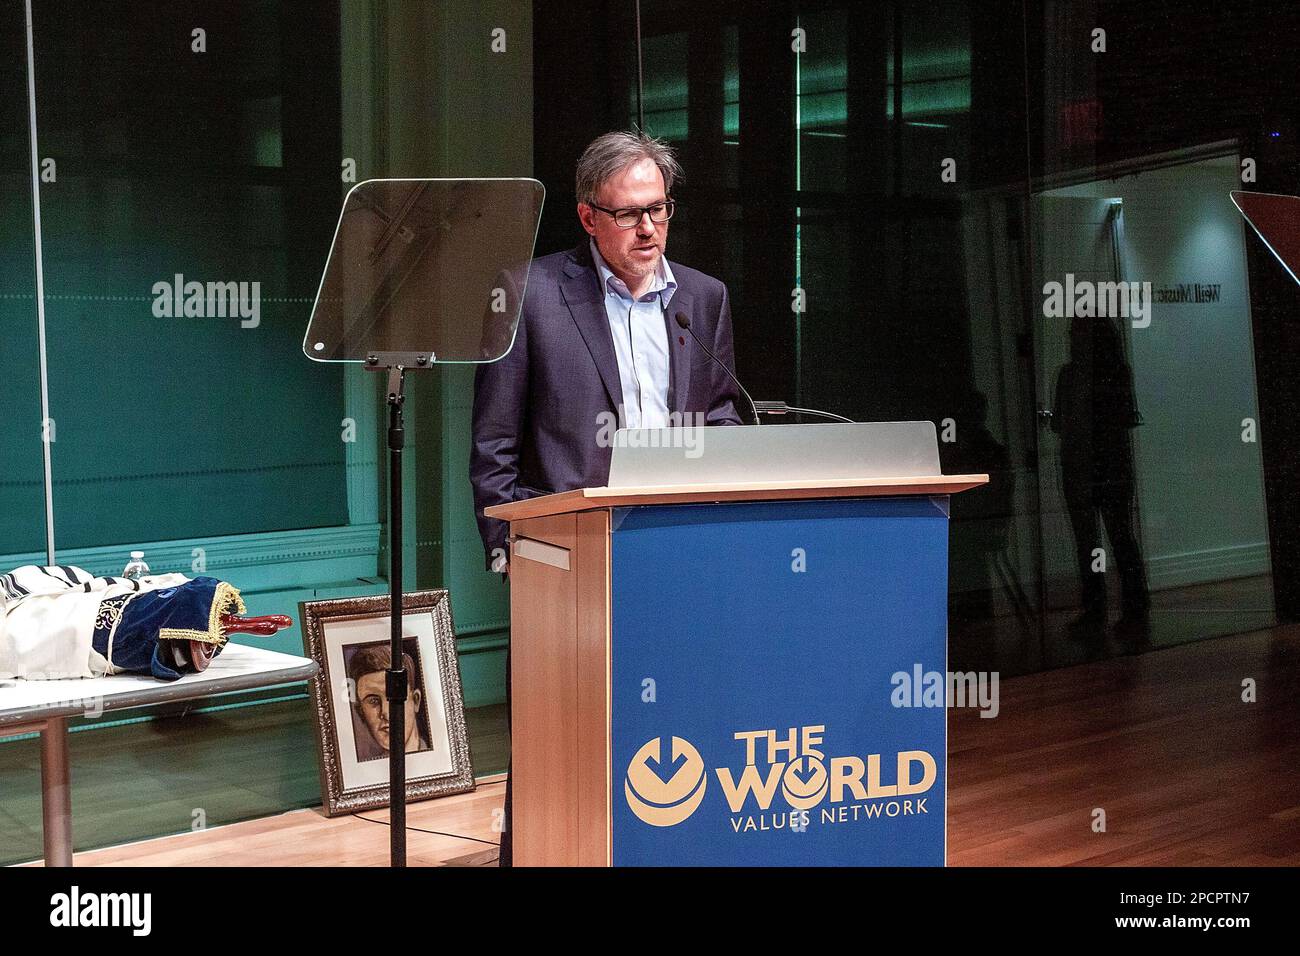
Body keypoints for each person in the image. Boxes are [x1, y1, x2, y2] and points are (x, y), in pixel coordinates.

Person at [470, 130, 745, 864]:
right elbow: (494, 444)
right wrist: (512, 556)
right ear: (589, 216)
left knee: (678, 724)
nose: (648, 228)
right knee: (559, 730)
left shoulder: (703, 298)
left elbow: (721, 412)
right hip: (568, 556)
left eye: (659, 209)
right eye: (628, 214)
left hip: (679, 551)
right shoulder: (528, 294)